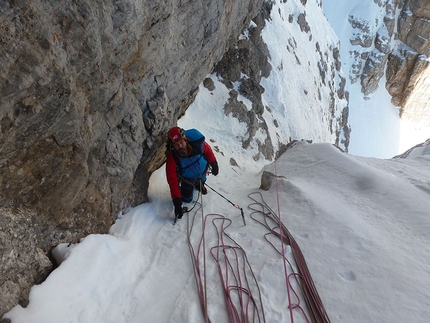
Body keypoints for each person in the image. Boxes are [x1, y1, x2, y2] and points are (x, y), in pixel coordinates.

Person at [165, 126, 219, 220]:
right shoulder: (172, 158)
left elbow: (208, 151)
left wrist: (214, 164)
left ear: (185, 140)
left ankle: (199, 184)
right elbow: (172, 180)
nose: (180, 146)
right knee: (186, 199)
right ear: (173, 146)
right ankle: (189, 188)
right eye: (176, 145)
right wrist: (177, 203)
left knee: (202, 180)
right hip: (188, 179)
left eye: (181, 142)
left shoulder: (197, 145)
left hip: (202, 172)